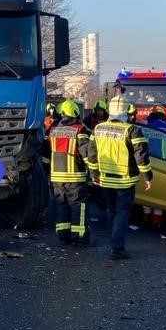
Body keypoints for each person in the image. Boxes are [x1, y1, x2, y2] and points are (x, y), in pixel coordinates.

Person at [81, 95, 152, 260]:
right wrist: (147, 176)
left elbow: (92, 155)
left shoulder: (98, 128)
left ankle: (113, 244)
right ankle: (117, 248)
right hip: (125, 180)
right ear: (126, 111)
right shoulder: (132, 130)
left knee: (111, 211)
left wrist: (94, 174)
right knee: (122, 212)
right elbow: (141, 156)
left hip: (105, 179)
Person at [42, 100, 91, 245]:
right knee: (78, 207)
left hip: (56, 177)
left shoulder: (52, 129)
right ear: (75, 113)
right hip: (75, 177)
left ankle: (63, 236)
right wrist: (93, 171)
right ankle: (80, 237)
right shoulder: (79, 129)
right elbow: (86, 154)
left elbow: (45, 156)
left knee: (61, 205)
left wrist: (47, 174)